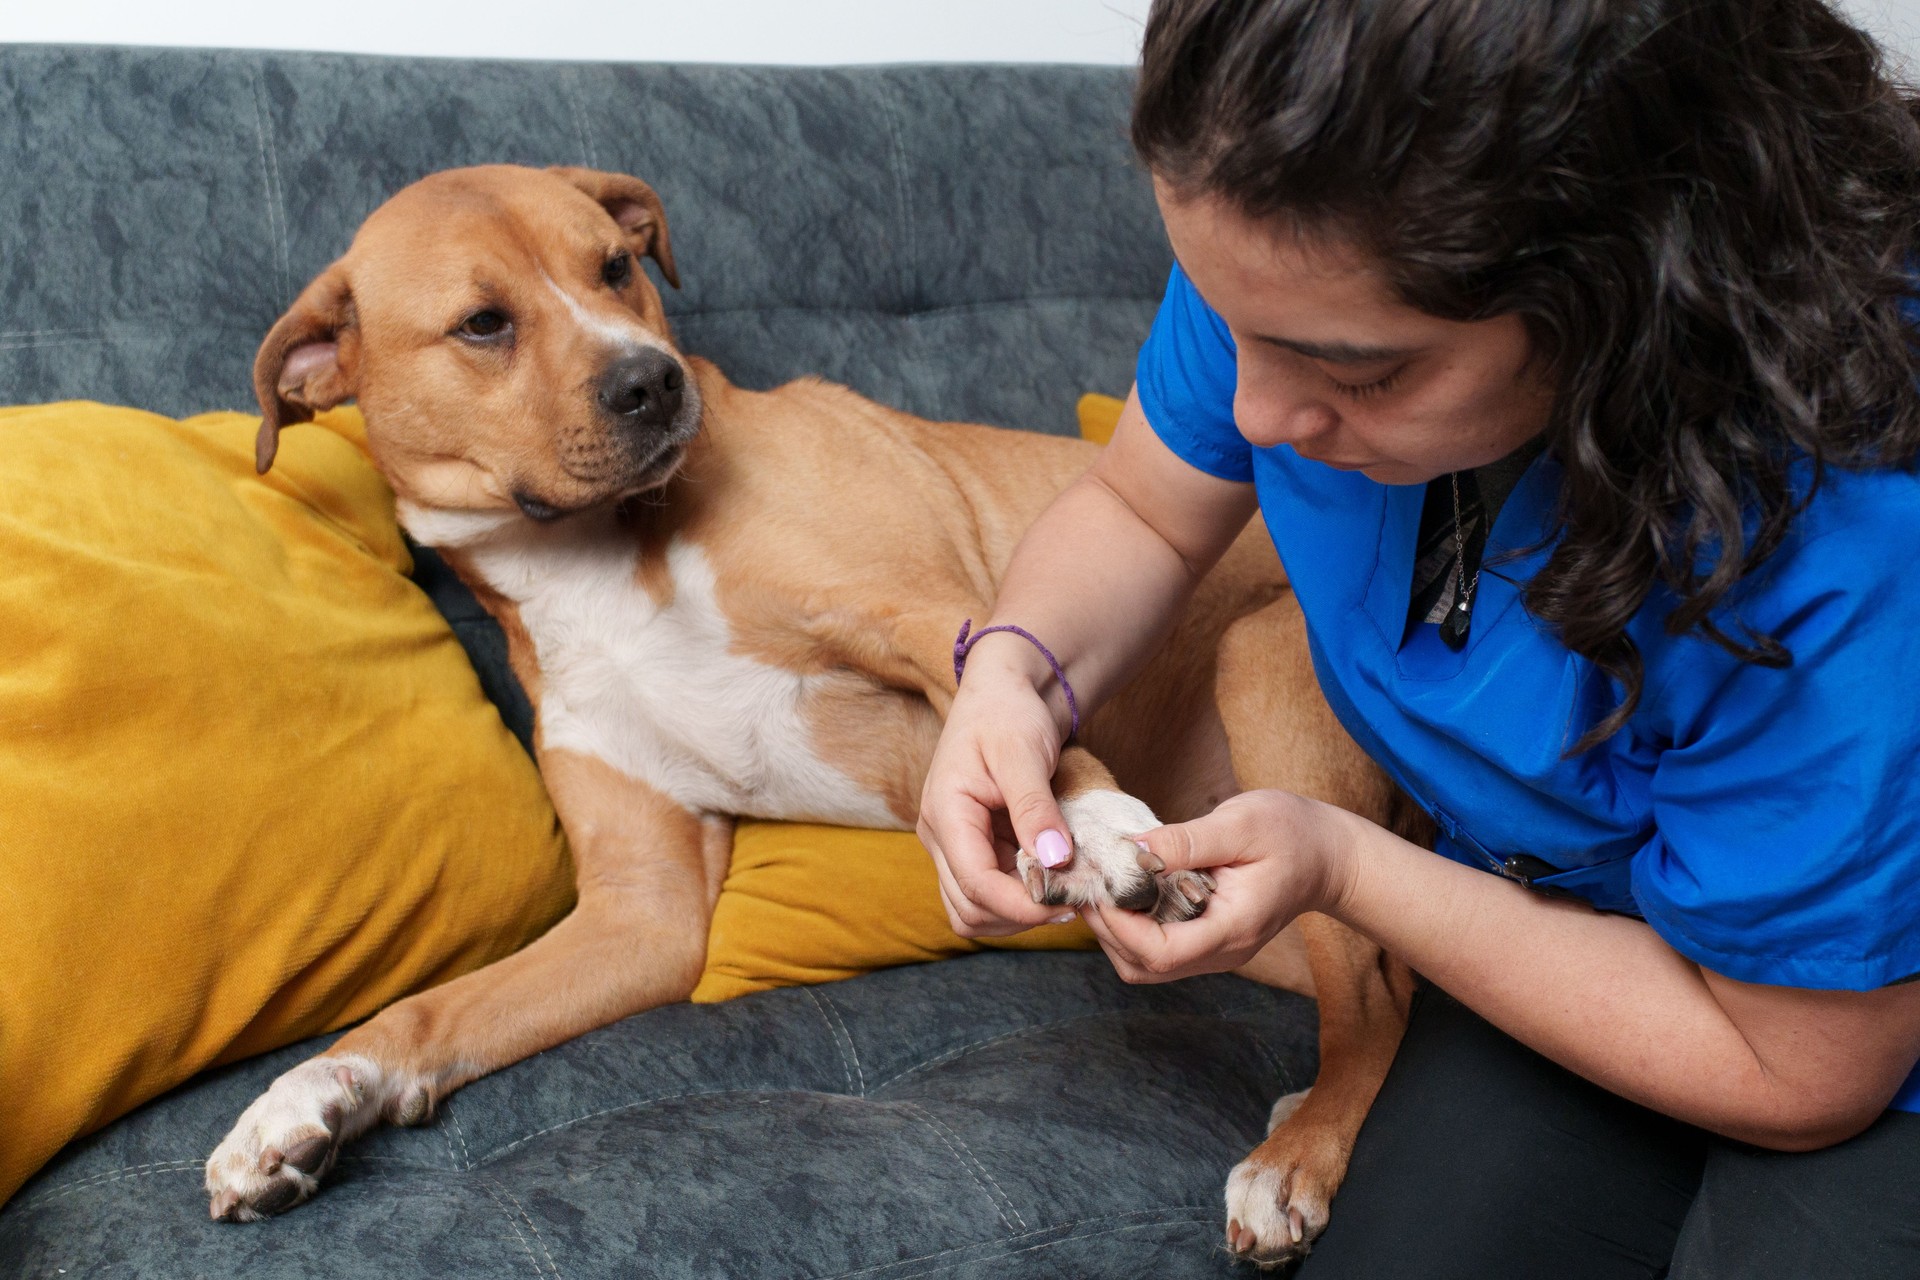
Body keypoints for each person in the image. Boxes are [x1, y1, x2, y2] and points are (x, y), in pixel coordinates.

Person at [914, 1, 1920, 1275]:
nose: (1253, 412)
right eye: (1231, 324)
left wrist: (1347, 866)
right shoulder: (1296, 233)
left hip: (1840, 1029)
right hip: (1576, 918)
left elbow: (1803, 1063)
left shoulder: (1849, 518)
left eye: (1361, 373)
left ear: (1617, 292)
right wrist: (1013, 675)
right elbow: (1142, 510)